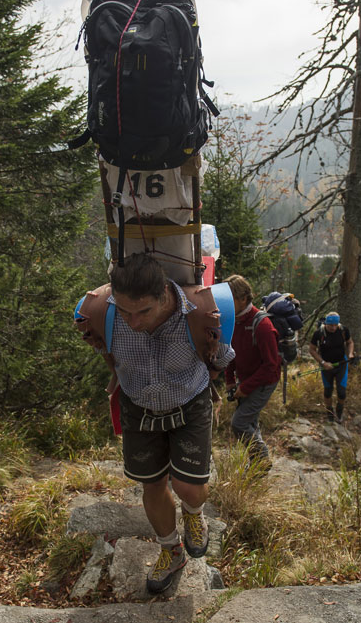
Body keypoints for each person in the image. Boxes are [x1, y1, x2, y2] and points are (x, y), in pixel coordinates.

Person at [103, 254, 235, 593]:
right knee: (152, 484)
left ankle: (193, 513)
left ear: (164, 294)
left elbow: (220, 357)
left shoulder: (201, 315)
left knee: (188, 486)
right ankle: (171, 549)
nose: (132, 322)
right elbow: (104, 352)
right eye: (125, 311)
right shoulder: (104, 315)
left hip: (189, 403)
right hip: (138, 407)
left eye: (143, 311)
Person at [223, 275, 281, 469]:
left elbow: (271, 365)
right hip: (247, 379)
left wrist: (245, 388)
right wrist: (230, 380)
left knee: (239, 423)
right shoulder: (234, 321)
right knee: (250, 422)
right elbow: (230, 351)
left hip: (265, 382)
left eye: (230, 299)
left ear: (243, 299)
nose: (226, 304)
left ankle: (262, 458)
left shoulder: (262, 326)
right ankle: (256, 467)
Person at [309, 312, 354, 424]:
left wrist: (351, 354)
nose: (333, 328)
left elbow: (350, 342)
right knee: (328, 391)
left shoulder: (343, 330)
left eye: (335, 325)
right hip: (326, 366)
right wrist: (323, 362)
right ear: (326, 324)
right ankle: (329, 413)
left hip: (341, 364)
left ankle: (339, 411)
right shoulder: (319, 333)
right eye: (331, 325)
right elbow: (312, 350)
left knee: (341, 392)